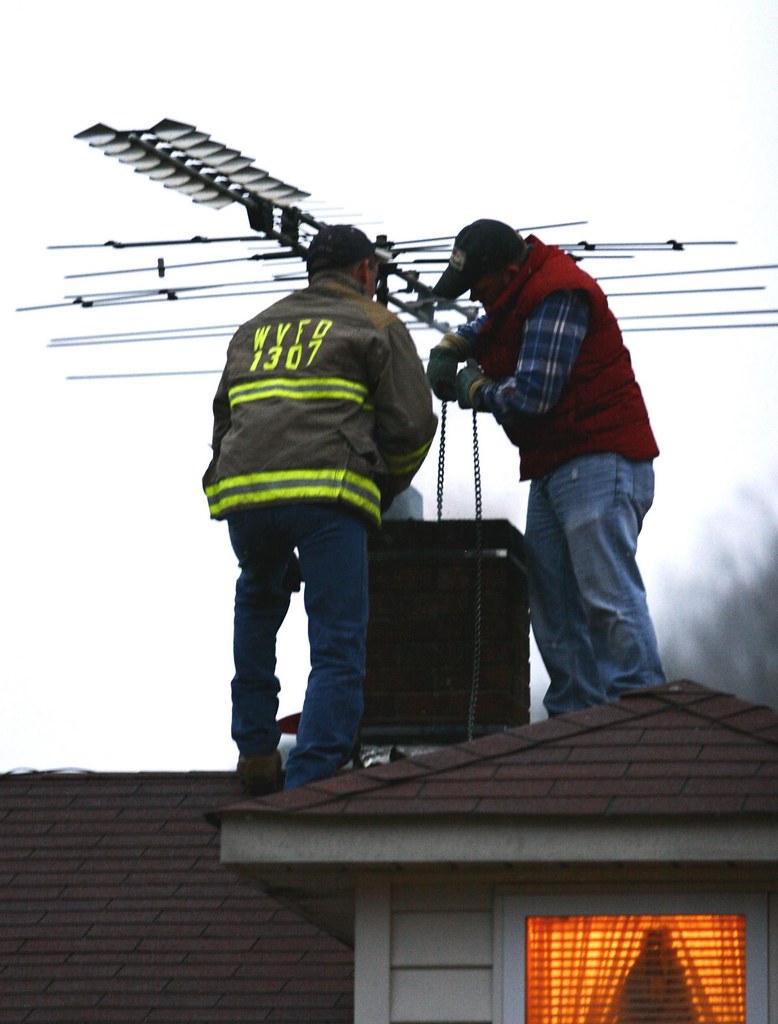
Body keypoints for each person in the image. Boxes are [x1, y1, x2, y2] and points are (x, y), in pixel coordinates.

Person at [204, 225, 437, 791]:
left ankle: (256, 751)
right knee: (337, 639)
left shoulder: (253, 329)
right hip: (328, 498)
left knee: (258, 606)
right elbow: (412, 426)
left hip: (248, 496)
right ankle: (309, 779)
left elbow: (224, 421)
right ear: (366, 272)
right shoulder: (376, 323)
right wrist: (376, 491)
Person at [428, 219, 665, 716]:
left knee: (605, 596)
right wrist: (461, 342)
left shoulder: (558, 292)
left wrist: (476, 389)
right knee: (554, 607)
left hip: (600, 458)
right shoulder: (520, 291)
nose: (477, 298)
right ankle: (576, 720)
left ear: (510, 271)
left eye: (480, 287)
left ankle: (644, 711)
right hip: (558, 463)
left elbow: (533, 395)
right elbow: (497, 320)